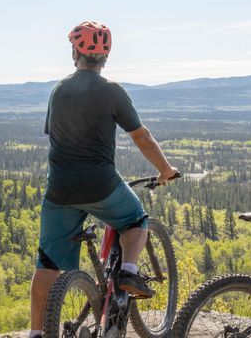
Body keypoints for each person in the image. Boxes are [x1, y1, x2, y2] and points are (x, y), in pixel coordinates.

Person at [29, 21, 179, 338]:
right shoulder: (112, 91)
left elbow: (56, 136)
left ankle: (35, 333)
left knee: (46, 266)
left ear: (75, 53)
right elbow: (141, 137)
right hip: (101, 185)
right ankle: (128, 271)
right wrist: (165, 169)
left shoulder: (57, 92)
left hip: (59, 190)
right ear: (105, 57)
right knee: (137, 219)